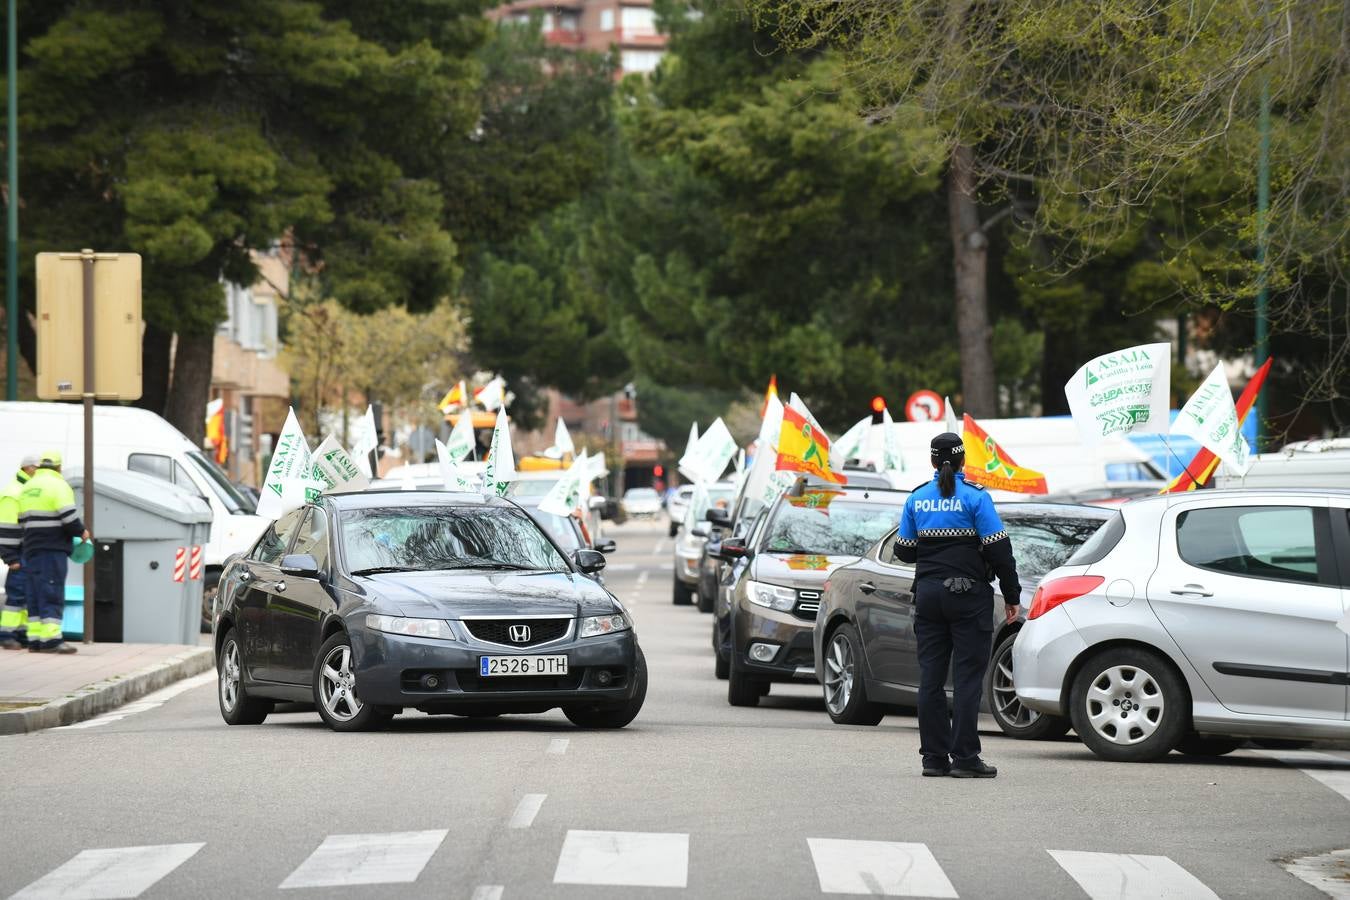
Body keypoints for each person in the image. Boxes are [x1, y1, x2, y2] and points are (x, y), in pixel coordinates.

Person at [895, 432, 1021, 778]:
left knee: (931, 679)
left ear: (933, 461)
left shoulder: (917, 498)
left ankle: (933, 759)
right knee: (967, 678)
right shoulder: (976, 498)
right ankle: (965, 758)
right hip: (968, 597)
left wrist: (933, 550)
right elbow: (1000, 551)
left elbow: (903, 551)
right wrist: (1012, 595)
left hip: (928, 596)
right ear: (963, 460)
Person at [17, 451, 88, 654]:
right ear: (58, 467)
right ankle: (51, 640)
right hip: (52, 548)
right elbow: (68, 516)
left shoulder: (28, 487)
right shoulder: (58, 485)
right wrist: (81, 532)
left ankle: (35, 640)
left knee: (34, 593)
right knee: (51, 590)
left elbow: (21, 521)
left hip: (31, 548)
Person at [0, 455, 39, 649]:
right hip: (18, 553)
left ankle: (21, 633)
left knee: (26, 594)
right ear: (28, 468)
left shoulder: (27, 490)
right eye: (37, 469)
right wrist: (10, 557)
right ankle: (6, 634)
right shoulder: (13, 492)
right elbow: (5, 528)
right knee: (16, 595)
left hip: (26, 551)